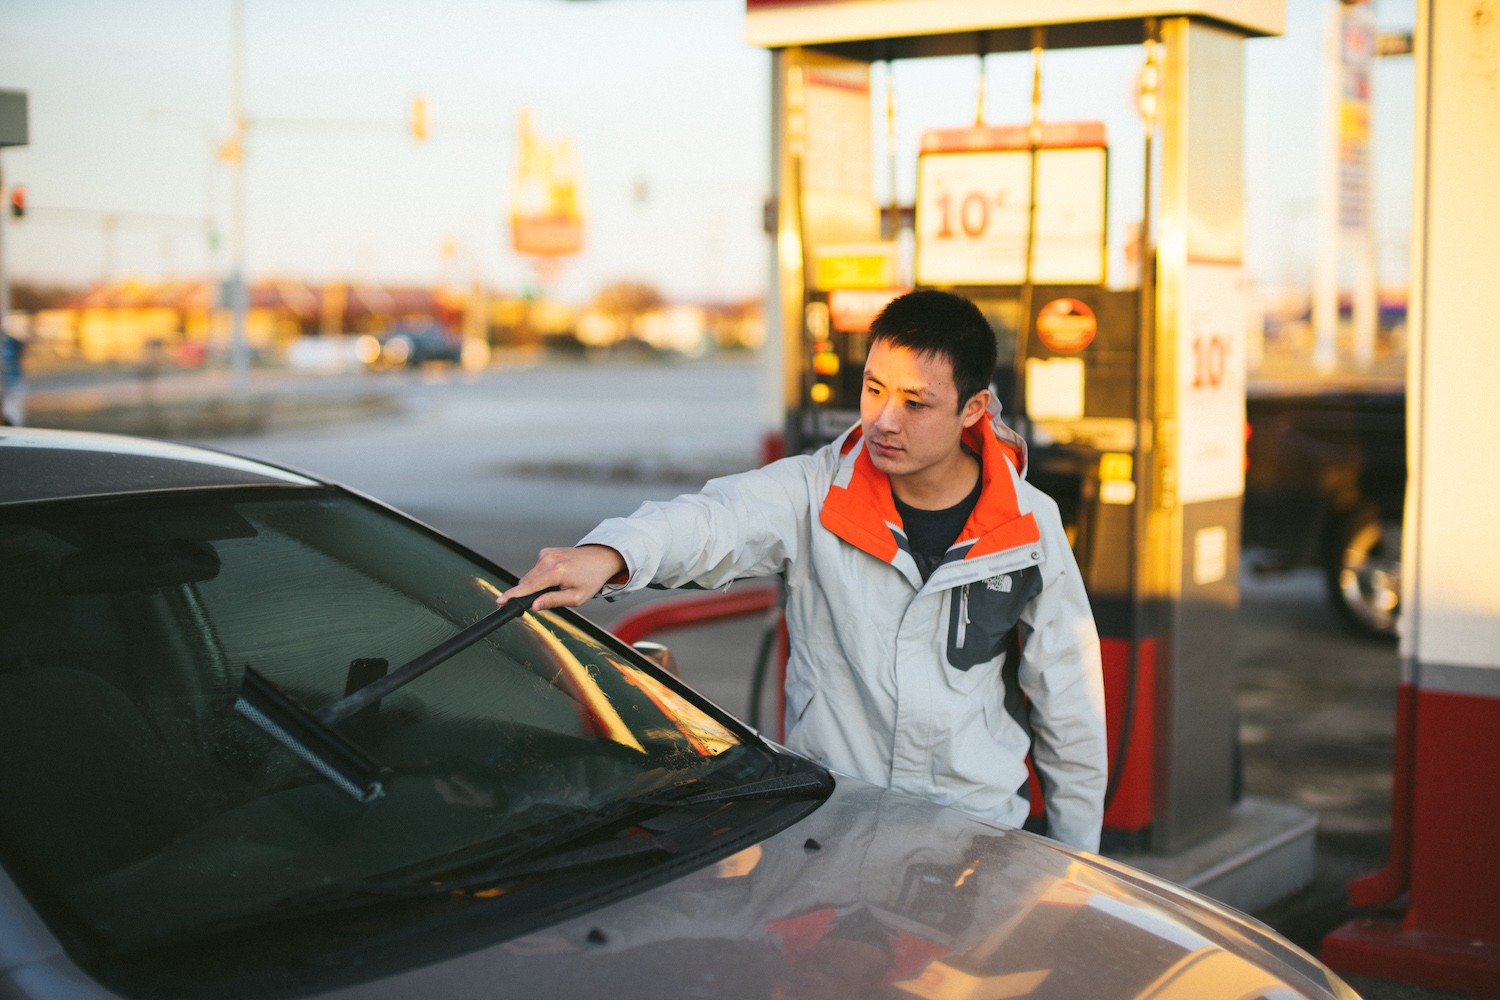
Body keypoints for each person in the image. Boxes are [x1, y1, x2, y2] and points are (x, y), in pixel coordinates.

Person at [501, 290, 1107, 852]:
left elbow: (1070, 702)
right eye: (873, 390)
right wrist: (613, 554)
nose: (884, 420)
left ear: (974, 408)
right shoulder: (815, 493)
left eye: (915, 402)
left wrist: (1081, 866)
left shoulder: (1028, 528)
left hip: (976, 840)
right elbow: (715, 520)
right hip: (833, 832)